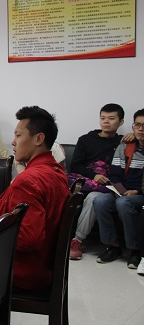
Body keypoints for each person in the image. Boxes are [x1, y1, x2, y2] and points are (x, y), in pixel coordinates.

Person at [0, 106, 69, 291]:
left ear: (38, 139)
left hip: (20, 271)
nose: (13, 142)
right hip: (43, 265)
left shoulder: (28, 180)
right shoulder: (56, 171)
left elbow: (28, 240)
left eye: (18, 135)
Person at [67, 103, 126, 260]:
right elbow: (75, 165)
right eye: (102, 118)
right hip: (87, 182)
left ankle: (77, 240)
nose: (105, 122)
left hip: (108, 186)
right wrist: (94, 175)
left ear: (121, 122)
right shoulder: (86, 140)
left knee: (94, 198)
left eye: (111, 118)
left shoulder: (123, 143)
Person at [93, 109, 144, 268]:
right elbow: (114, 174)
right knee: (100, 201)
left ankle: (136, 250)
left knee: (124, 203)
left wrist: (137, 191)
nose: (141, 129)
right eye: (137, 125)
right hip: (122, 191)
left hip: (140, 194)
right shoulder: (125, 147)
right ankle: (113, 246)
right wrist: (121, 191)